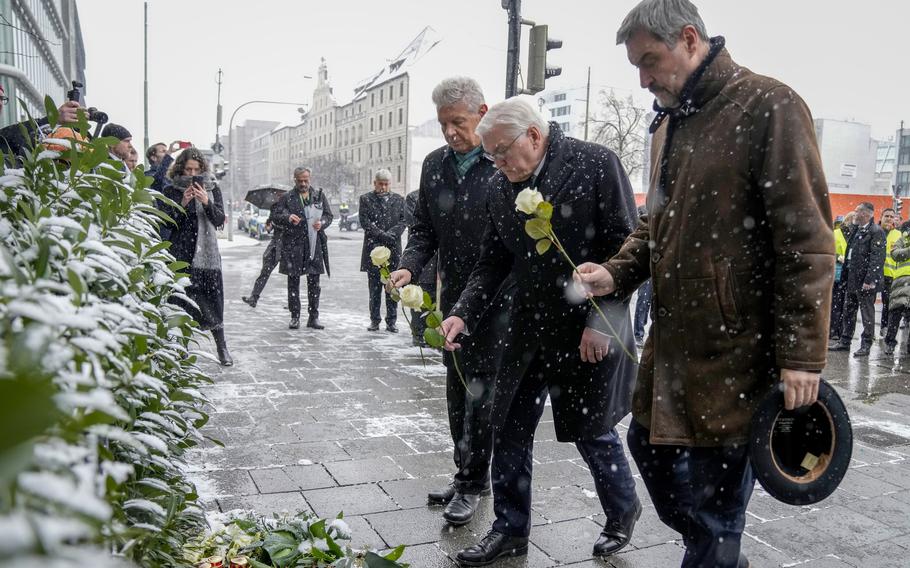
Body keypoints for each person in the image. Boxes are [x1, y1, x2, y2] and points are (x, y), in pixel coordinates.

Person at [573, 1, 833, 566]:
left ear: (689, 39)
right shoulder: (668, 123)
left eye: (649, 61)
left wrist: (802, 357)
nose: (642, 79)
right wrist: (614, 272)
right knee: (646, 447)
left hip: (737, 360)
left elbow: (807, 244)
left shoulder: (769, 105)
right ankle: (719, 552)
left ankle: (717, 551)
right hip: (671, 354)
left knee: (716, 513)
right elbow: (654, 225)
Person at [439, 96, 640, 565]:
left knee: (592, 430)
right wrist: (464, 311)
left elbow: (627, 247)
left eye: (503, 152)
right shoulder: (500, 184)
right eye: (490, 155)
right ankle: (510, 529)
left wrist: (603, 320)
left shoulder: (594, 164)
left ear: (533, 135)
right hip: (528, 326)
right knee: (507, 425)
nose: (497, 163)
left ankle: (622, 509)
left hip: (586, 325)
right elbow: (493, 260)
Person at [389, 77, 503, 528]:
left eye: (458, 122)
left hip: (495, 301)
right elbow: (422, 230)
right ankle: (467, 474)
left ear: (482, 112)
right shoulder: (435, 165)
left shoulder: (500, 163)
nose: (451, 132)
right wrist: (407, 266)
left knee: (482, 395)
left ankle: (475, 482)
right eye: (443, 125)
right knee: (457, 392)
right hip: (451, 299)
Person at [160, 148, 233, 366]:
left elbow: (220, 220)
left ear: (203, 169)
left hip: (208, 259)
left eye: (196, 169)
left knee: (213, 302)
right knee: (182, 303)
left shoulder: (212, 188)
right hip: (181, 255)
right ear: (180, 169)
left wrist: (207, 202)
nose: (192, 174)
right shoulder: (171, 190)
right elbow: (166, 223)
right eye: (188, 169)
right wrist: (181, 203)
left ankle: (222, 348)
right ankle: (182, 348)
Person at [273, 167, 333, 330]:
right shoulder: (287, 197)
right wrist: (287, 217)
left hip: (314, 245)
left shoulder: (318, 196)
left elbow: (329, 216)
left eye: (306, 180)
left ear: (310, 179)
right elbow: (276, 217)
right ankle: (295, 317)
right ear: (295, 180)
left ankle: (313, 317)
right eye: (300, 181)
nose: (303, 184)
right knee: (293, 282)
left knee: (314, 283)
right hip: (293, 245)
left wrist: (322, 223)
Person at [830, 202, 885, 357]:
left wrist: (869, 280)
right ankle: (845, 341)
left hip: (865, 281)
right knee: (849, 310)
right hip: (852, 279)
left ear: (865, 214)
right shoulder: (856, 230)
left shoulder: (876, 231)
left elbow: (877, 258)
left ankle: (866, 344)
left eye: (857, 211)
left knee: (867, 314)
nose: (854, 214)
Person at [359, 169, 406, 332]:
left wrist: (391, 234)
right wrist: (381, 234)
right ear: (375, 183)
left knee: (392, 286)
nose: (383, 187)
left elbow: (403, 221)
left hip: (393, 250)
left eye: (386, 184)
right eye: (381, 184)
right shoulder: (365, 199)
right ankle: (375, 320)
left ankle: (391, 321)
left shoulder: (399, 200)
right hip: (373, 251)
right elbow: (365, 221)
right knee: (374, 289)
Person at [0, 82, 82, 164]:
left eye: (1, 98)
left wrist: (52, 120)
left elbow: (13, 135)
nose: (0, 103)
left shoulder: (5, 138)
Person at [403, 190, 438, 347]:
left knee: (435, 299)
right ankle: (418, 334)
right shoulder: (413, 197)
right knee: (421, 295)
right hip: (424, 256)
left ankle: (434, 335)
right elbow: (418, 225)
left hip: (441, 257)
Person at [242, 201, 284, 308]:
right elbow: (269, 226)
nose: (278, 197)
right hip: (275, 244)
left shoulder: (291, 204)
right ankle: (254, 297)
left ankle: (293, 306)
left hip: (288, 245)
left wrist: (278, 224)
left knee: (292, 276)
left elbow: (291, 224)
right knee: (265, 271)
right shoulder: (274, 207)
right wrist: (269, 227)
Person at [883, 220, 910, 355]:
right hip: (901, 282)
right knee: (895, 313)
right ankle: (890, 342)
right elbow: (895, 254)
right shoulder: (903, 239)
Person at [830, 212, 853, 340]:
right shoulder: (836, 233)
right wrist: (838, 258)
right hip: (837, 274)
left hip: (849, 275)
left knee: (846, 304)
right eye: (852, 219)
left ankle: (841, 331)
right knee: (836, 303)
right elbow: (828, 251)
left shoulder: (856, 235)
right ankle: (833, 330)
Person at [879, 208, 900, 336]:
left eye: (891, 217)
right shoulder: (875, 231)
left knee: (887, 303)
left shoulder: (898, 235)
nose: (889, 219)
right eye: (886, 216)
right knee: (867, 304)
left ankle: (884, 326)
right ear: (881, 217)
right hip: (874, 274)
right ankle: (868, 332)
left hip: (890, 275)